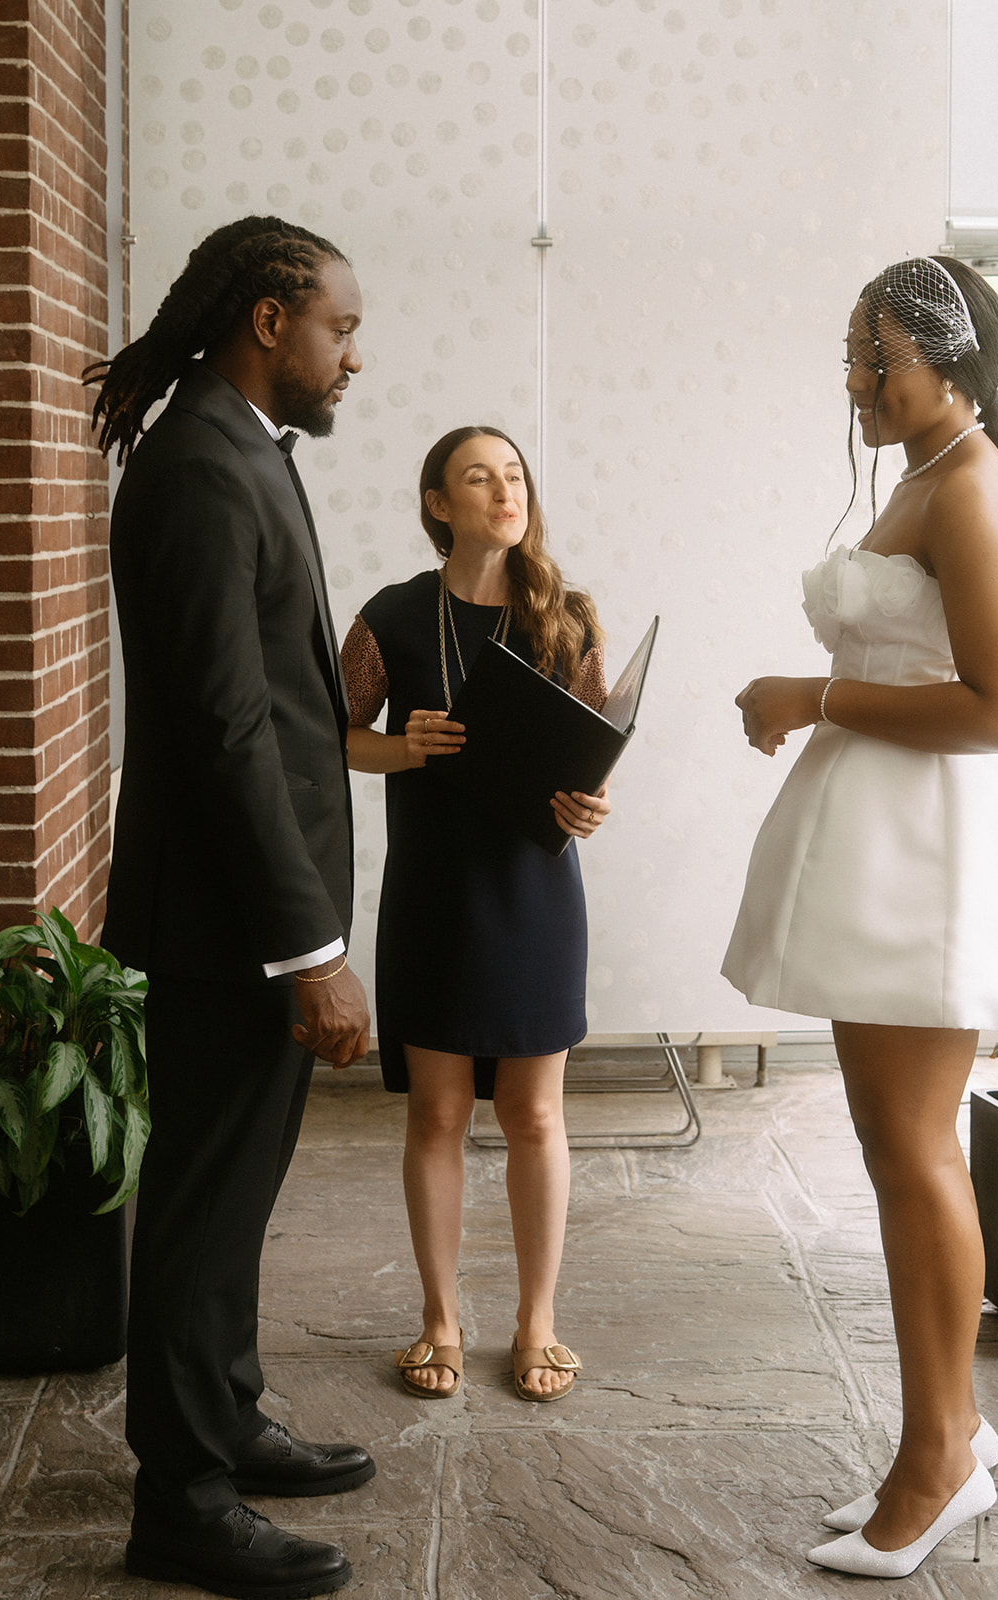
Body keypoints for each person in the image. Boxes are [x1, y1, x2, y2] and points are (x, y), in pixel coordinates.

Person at [722, 257, 998, 1579]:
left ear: (951, 362)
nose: (858, 380)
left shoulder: (969, 483)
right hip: (885, 841)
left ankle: (936, 1463)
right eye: (855, 353)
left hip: (929, 854)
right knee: (892, 1143)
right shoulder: (933, 475)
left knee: (915, 1148)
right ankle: (952, 1433)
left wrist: (812, 698)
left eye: (879, 357)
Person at [88, 215, 375, 1600]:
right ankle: (183, 1500)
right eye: (341, 327)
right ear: (270, 320)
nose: (351, 356)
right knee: (206, 1204)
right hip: (228, 923)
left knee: (237, 1190)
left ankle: (228, 1417)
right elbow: (223, 727)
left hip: (246, 913)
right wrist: (308, 945)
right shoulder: (201, 466)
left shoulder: (238, 447)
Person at [340, 426, 611, 1403]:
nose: (503, 490)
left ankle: (536, 1319)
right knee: (439, 1111)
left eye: (513, 475)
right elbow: (332, 735)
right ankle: (439, 1318)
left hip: (535, 892)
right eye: (477, 476)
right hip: (434, 894)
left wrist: (587, 803)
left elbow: (590, 756)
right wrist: (400, 748)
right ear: (436, 501)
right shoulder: (392, 617)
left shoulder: (565, 617)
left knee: (536, 1114)